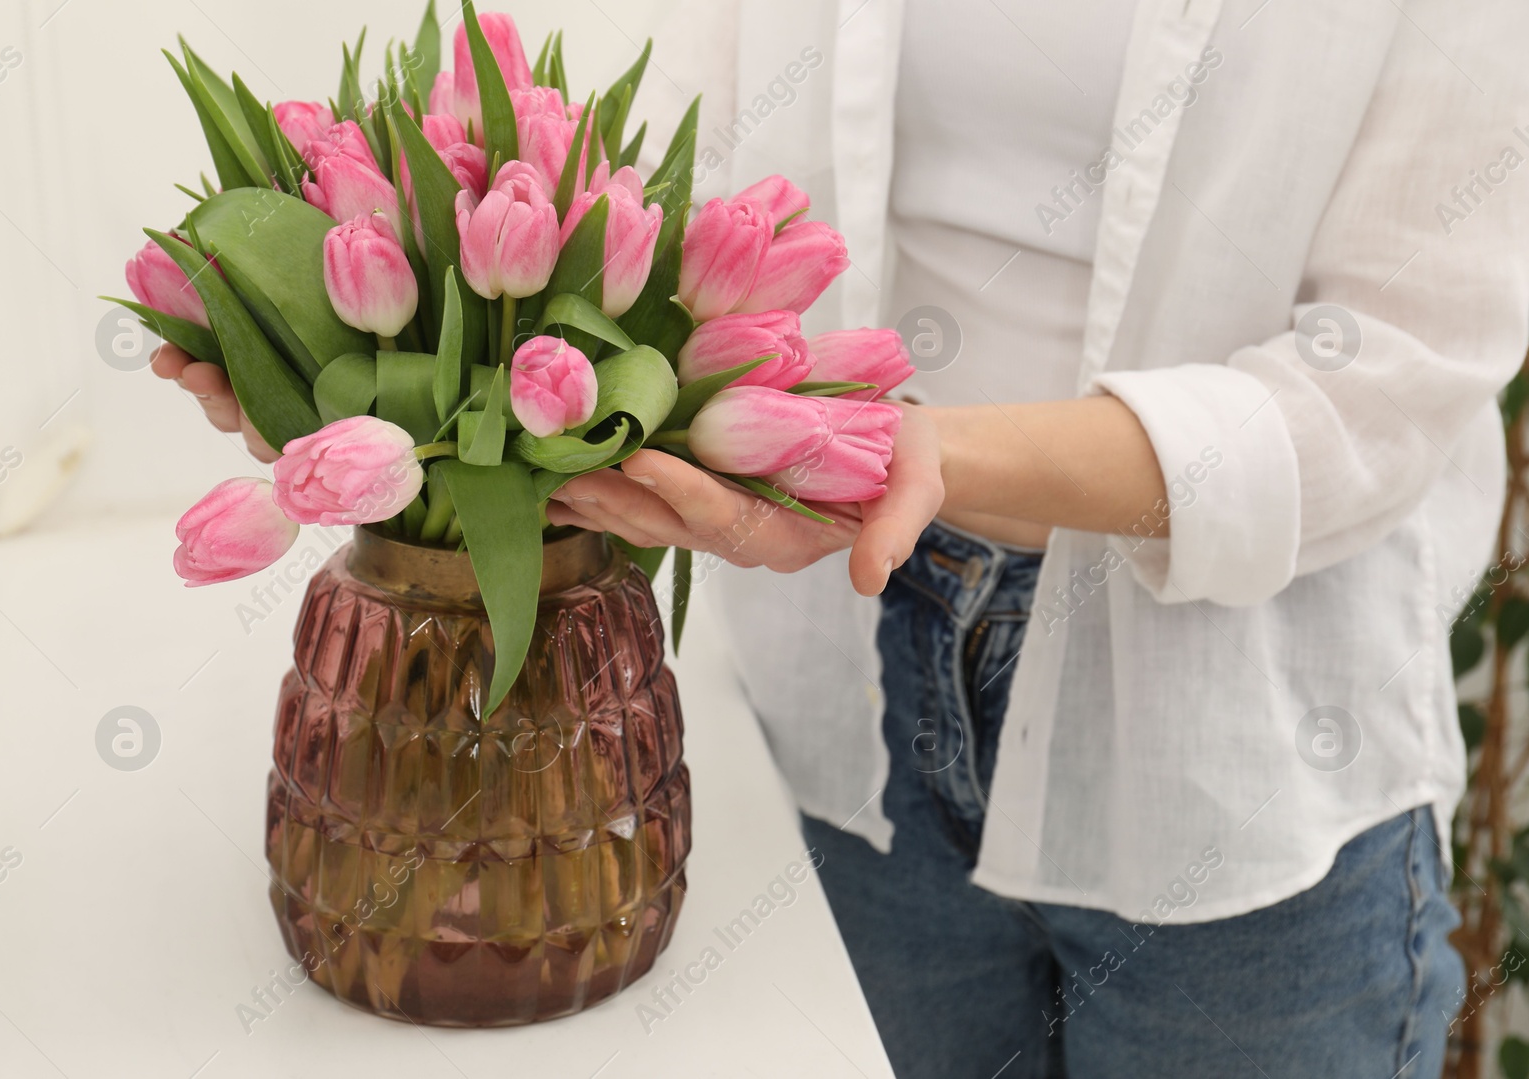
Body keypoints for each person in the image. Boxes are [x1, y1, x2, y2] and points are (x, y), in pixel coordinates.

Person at [155, 1, 1529, 1075]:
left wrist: (913, 457)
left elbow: (1390, 380)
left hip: (1242, 756)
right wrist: (332, 362)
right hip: (850, 693)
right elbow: (701, 185)